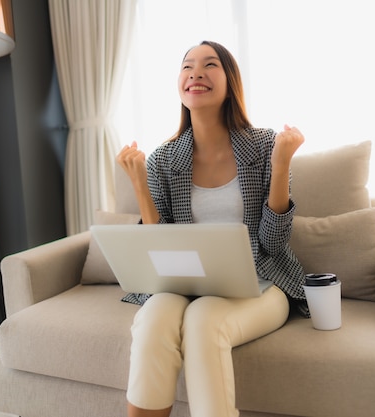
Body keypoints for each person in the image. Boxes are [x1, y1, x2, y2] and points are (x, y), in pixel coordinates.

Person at [116, 40, 307, 417]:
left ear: (229, 80)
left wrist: (282, 165)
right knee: (153, 317)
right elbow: (159, 254)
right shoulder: (163, 159)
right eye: (187, 66)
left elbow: (273, 240)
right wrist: (139, 184)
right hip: (187, 285)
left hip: (262, 282)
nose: (195, 73)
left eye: (209, 64)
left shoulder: (266, 145)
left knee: (204, 321)